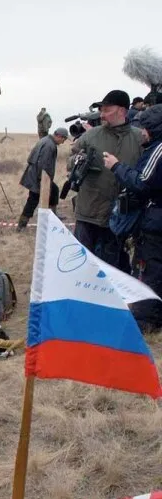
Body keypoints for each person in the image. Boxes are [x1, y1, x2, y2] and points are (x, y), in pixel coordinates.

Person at [102, 104, 162, 331]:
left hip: (155, 223)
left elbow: (143, 182)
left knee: (149, 268)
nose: (142, 132)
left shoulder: (158, 150)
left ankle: (147, 319)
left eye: (146, 128)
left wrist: (116, 166)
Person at [69, 89, 144, 270]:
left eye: (106, 109)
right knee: (81, 265)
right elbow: (70, 160)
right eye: (101, 110)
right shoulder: (91, 135)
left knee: (110, 268)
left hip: (120, 217)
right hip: (89, 212)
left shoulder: (139, 138)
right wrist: (77, 163)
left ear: (121, 111)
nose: (102, 114)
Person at [16, 127, 69, 231]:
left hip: (38, 175)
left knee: (54, 190)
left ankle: (53, 216)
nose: (63, 142)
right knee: (33, 200)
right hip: (38, 177)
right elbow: (43, 164)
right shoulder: (49, 145)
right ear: (58, 136)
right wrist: (42, 181)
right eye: (64, 139)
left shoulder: (46, 140)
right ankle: (22, 224)